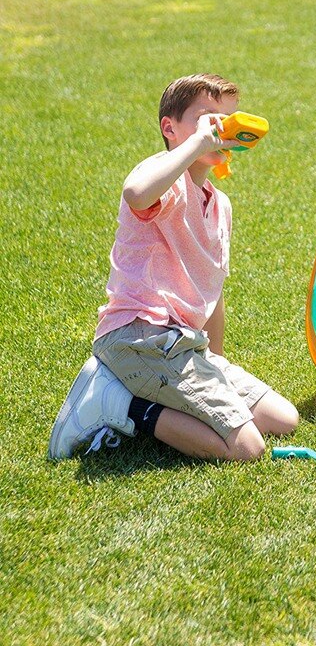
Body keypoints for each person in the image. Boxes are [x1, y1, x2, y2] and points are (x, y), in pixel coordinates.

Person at [49, 74, 299, 462]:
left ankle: (139, 394)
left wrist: (214, 360)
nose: (220, 128)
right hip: (139, 336)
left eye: (228, 119)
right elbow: (136, 193)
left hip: (184, 345)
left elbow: (213, 290)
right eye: (208, 118)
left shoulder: (220, 205)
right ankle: (119, 404)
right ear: (170, 128)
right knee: (247, 448)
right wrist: (197, 142)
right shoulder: (164, 178)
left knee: (283, 418)